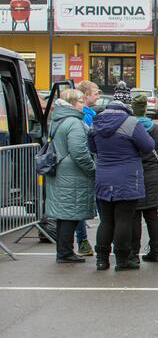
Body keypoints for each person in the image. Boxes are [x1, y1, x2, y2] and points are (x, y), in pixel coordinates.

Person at [89, 100, 154, 271]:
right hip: (128, 177)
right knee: (124, 220)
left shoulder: (95, 123)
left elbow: (92, 147)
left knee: (106, 220)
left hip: (103, 176)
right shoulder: (131, 123)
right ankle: (122, 260)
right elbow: (148, 146)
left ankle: (101, 260)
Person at [45, 89, 96, 263]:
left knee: (63, 214)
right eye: (81, 101)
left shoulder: (59, 119)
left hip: (61, 171)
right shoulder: (74, 122)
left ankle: (63, 251)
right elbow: (79, 152)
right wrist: (92, 169)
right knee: (71, 214)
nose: (83, 104)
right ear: (73, 103)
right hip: (73, 174)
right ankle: (65, 252)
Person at [129, 94, 158, 263]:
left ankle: (133, 253)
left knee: (134, 216)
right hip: (152, 174)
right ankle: (155, 251)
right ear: (145, 109)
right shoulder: (156, 129)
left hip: (134, 174)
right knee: (152, 215)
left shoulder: (128, 128)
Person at [73, 80, 101, 257]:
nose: (98, 95)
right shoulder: (84, 116)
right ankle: (83, 241)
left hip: (90, 163)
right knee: (83, 204)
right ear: (85, 95)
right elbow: (85, 145)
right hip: (87, 165)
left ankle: (85, 241)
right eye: (96, 93)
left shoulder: (89, 113)